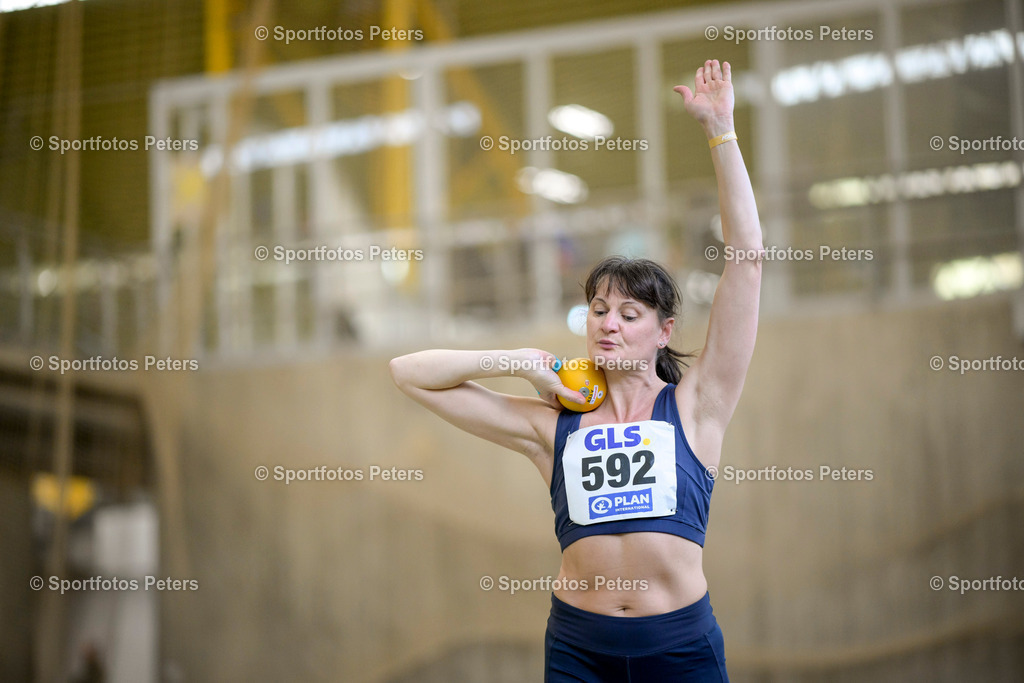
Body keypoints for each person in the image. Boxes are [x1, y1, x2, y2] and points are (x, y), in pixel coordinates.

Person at [390, 59, 761, 682]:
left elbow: (747, 262)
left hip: (679, 647)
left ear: (664, 331)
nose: (608, 324)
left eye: (629, 313)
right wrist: (521, 365)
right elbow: (408, 372)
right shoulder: (551, 427)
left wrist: (721, 131)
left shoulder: (698, 405)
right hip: (578, 650)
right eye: (598, 310)